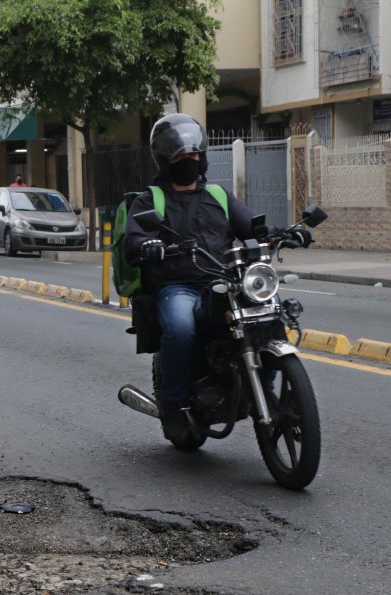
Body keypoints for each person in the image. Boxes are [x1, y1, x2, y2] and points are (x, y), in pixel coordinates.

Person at [123, 113, 313, 445]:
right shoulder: (150, 199)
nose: (189, 160)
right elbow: (134, 239)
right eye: (181, 155)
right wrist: (148, 245)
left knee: (268, 315)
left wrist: (284, 234)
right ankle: (174, 405)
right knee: (181, 327)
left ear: (203, 156)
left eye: (194, 154)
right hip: (178, 285)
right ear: (166, 159)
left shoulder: (219, 196)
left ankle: (264, 391)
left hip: (224, 281)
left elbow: (252, 228)